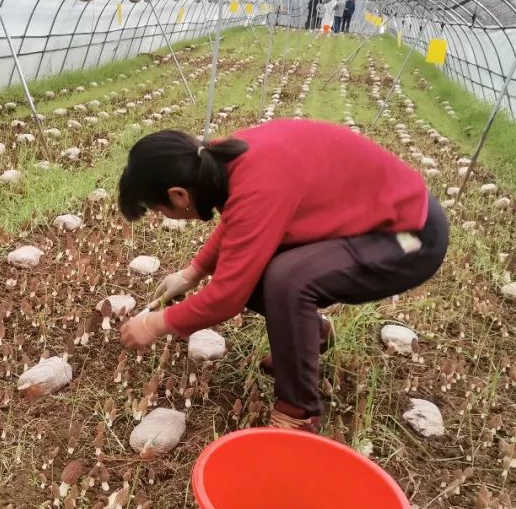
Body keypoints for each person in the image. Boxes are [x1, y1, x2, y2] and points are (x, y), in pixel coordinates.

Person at [116, 120, 448, 432]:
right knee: (259, 268)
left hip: (410, 237)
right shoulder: (222, 156)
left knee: (287, 280)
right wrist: (192, 273)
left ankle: (299, 410)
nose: (166, 215)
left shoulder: (257, 181)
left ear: (178, 195)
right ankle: (311, 335)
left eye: (160, 210)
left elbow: (226, 298)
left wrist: (153, 324)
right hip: (370, 222)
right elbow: (239, 225)